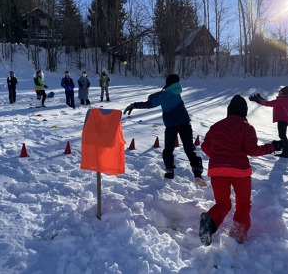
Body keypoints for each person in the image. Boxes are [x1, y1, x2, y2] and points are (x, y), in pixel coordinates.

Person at [199, 95, 284, 246]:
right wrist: (273, 146)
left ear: (229, 111)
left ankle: (210, 220)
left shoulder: (216, 126)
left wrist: (219, 156)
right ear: (244, 112)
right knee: (243, 204)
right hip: (240, 172)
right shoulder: (247, 127)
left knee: (223, 203)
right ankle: (237, 235)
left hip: (217, 170)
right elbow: (252, 150)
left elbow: (205, 146)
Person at [123, 74, 205, 186]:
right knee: (189, 148)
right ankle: (197, 172)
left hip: (171, 125)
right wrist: (155, 95)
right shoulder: (177, 91)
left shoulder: (165, 95)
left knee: (168, 149)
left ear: (168, 83)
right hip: (185, 122)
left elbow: (150, 104)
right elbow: (158, 96)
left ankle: (170, 172)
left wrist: (134, 105)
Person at [249, 86, 288, 158]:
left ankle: (286, 151)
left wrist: (258, 100)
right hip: (283, 118)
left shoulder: (283, 99)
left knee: (282, 135)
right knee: (282, 135)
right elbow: (271, 103)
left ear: (284, 92)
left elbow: (269, 103)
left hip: (283, 119)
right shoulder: (283, 99)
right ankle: (286, 150)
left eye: (281, 91)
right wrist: (260, 99)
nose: (279, 92)